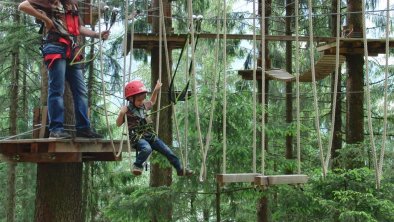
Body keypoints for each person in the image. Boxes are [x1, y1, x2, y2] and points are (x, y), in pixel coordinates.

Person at [18, 0, 109, 138]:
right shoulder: (51, 1)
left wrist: (97, 34)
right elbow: (23, 6)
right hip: (55, 46)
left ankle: (83, 128)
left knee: (81, 91)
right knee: (57, 90)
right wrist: (46, 20)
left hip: (71, 50)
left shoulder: (73, 5)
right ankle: (56, 129)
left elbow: (78, 28)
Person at [116, 80, 193, 176]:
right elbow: (118, 124)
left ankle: (180, 169)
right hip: (138, 138)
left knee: (168, 151)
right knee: (147, 149)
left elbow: (152, 102)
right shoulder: (127, 110)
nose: (141, 102)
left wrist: (156, 90)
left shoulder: (143, 106)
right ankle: (137, 165)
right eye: (139, 100)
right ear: (131, 99)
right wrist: (121, 113)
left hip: (150, 136)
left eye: (143, 99)